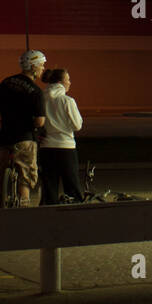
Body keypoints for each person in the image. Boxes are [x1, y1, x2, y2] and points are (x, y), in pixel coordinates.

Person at [0, 50, 47, 207]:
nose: (43, 68)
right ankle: (24, 204)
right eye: (41, 65)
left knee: (0, 174)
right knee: (26, 175)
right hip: (24, 138)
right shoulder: (36, 91)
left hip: (5, 137)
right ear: (33, 66)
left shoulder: (5, 83)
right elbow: (40, 121)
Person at [39, 67, 86, 204]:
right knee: (72, 187)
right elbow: (77, 125)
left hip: (46, 147)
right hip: (66, 147)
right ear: (61, 82)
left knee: (49, 188)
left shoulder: (42, 98)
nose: (70, 82)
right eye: (68, 79)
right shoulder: (67, 101)